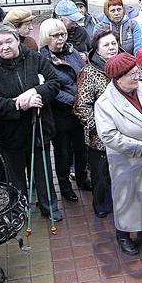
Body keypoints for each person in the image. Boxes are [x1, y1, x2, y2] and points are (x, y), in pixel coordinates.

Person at [0, 22, 63, 221]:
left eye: (9, 41)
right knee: (14, 176)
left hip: (39, 128)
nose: (5, 46)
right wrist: (19, 104)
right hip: (9, 133)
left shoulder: (36, 60)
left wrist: (34, 92)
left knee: (43, 172)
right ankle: (18, 210)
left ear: (17, 40)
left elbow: (53, 84)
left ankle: (49, 206)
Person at [94, 52, 142, 255]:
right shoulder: (105, 103)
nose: (137, 76)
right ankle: (123, 235)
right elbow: (109, 136)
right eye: (131, 74)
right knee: (127, 198)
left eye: (136, 71)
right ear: (117, 79)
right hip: (127, 160)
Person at [38, 18, 90, 202]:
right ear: (46, 37)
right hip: (61, 114)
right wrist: (76, 103)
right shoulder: (42, 60)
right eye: (56, 35)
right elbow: (52, 90)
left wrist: (85, 100)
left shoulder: (72, 52)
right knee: (62, 153)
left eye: (63, 34)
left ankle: (83, 178)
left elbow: (85, 74)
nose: (61, 38)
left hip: (80, 112)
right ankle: (65, 186)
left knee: (81, 148)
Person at [74, 29, 120, 218]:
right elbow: (81, 106)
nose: (111, 47)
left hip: (127, 132)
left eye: (114, 43)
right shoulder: (88, 72)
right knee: (102, 174)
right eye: (106, 45)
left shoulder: (128, 64)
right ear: (97, 50)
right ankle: (101, 205)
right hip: (100, 135)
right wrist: (97, 128)